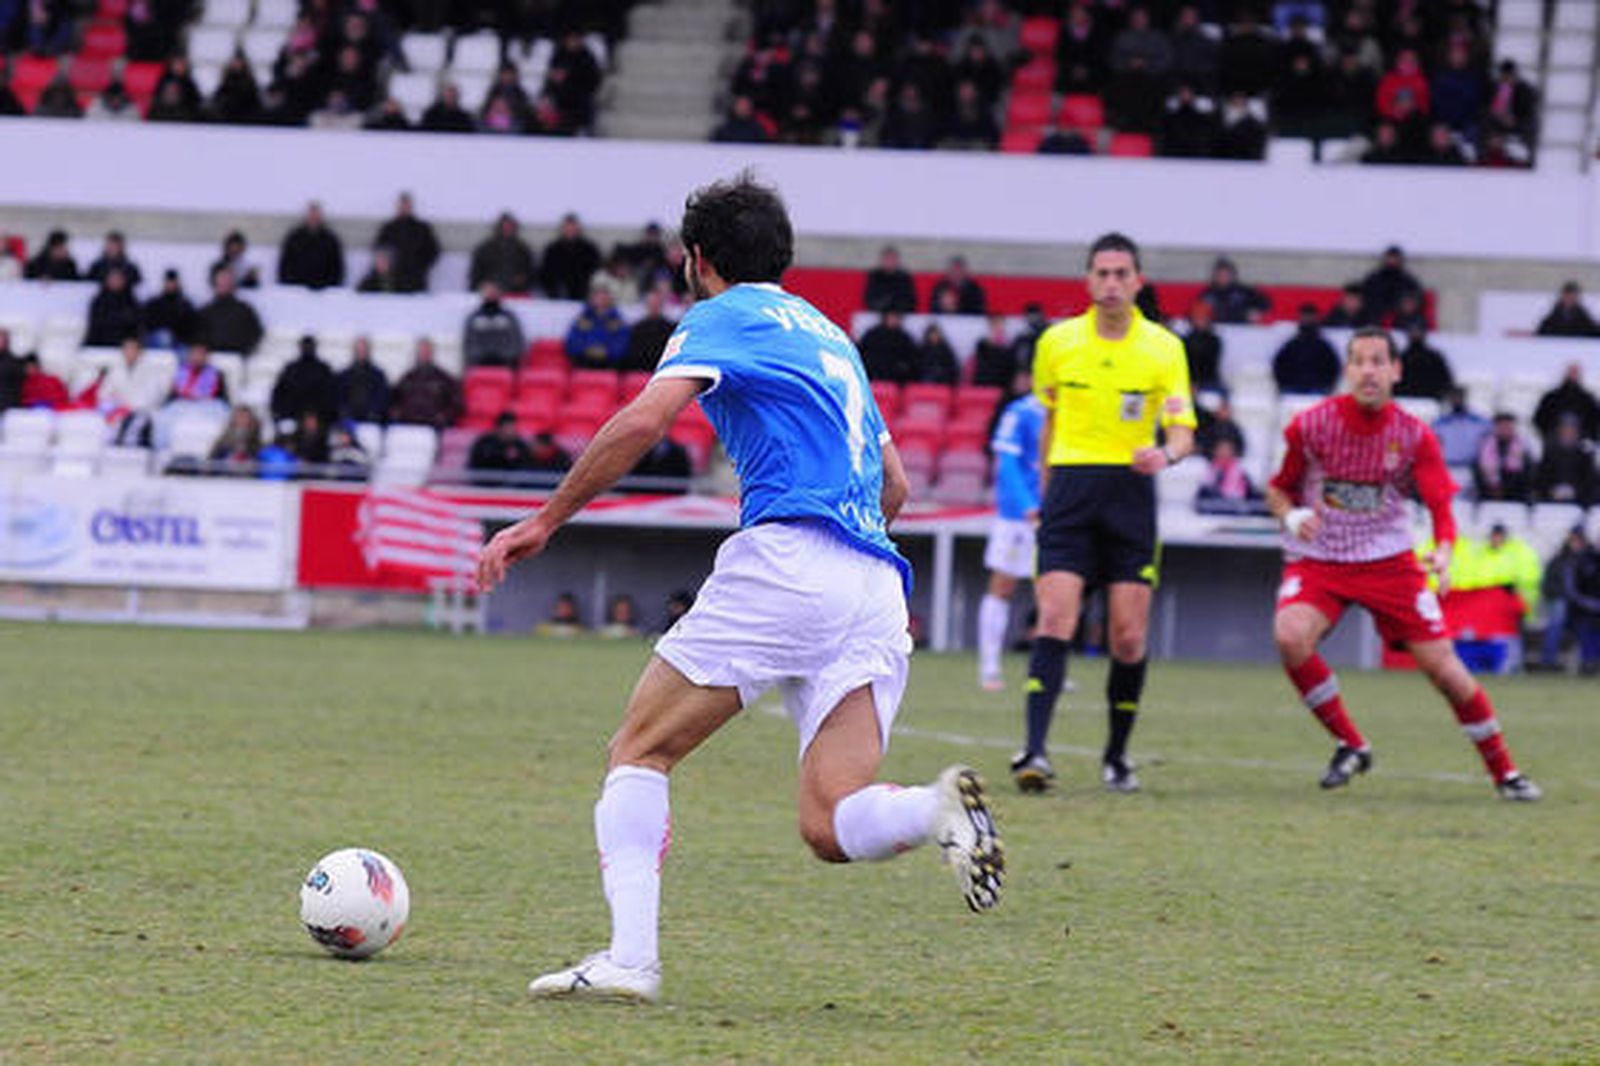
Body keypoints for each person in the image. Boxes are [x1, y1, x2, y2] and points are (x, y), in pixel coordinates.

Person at [477, 175, 1003, 1003]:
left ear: (698, 260)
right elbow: (893, 485)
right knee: (831, 821)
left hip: (791, 560)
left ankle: (630, 960)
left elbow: (645, 421)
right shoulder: (832, 337)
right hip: (872, 581)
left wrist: (545, 520)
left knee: (639, 751)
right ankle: (934, 810)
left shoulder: (722, 316)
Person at [1266, 328, 1541, 801]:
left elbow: (1439, 503)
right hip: (1322, 561)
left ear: (1396, 370)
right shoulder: (1308, 425)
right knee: (1290, 636)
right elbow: (1279, 487)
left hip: (1389, 564)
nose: (1368, 371)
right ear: (1347, 370)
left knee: (1445, 671)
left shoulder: (1414, 434)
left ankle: (1506, 773)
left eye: (1378, 361)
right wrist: (1291, 514)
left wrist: (1445, 549)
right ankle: (1351, 744)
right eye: (1359, 361)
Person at [1012, 232, 1195, 795]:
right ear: (1088, 280)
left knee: (1128, 637)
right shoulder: (1057, 343)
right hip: (1069, 490)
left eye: (1122, 274)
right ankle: (1035, 752)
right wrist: (1044, 492)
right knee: (1055, 620)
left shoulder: (1164, 348)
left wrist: (1163, 453)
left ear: (1138, 281)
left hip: (1130, 497)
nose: (1111, 283)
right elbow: (1047, 422)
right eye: (1102, 273)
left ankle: (1116, 757)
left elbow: (1184, 431)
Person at [978, 368, 1045, 692]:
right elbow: (1006, 462)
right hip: (1018, 516)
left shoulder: (1072, 412)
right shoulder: (1021, 412)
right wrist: (1026, 505)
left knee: (1055, 593)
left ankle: (1046, 670)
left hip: (1058, 514)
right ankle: (989, 667)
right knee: (1003, 585)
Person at [1537, 526, 1590, 670]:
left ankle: (1588, 661)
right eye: (1574, 540)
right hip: (1561, 601)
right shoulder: (1559, 560)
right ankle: (1548, 661)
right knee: (1557, 620)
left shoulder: (1587, 560)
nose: (1576, 544)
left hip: (1579, 604)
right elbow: (1548, 585)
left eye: (1579, 541)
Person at [389, 337, 463, 429]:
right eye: (421, 351)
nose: (424, 354)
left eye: (427, 350)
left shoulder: (444, 378)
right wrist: (397, 414)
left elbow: (457, 403)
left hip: (433, 427)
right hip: (408, 426)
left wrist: (444, 417)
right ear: (417, 353)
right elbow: (393, 400)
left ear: (432, 353)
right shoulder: (407, 378)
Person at [1272, 305, 1340, 395]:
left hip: (1318, 389)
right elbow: (1279, 365)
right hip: (1292, 388)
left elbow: (1333, 368)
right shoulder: (1291, 345)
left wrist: (1327, 386)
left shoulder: (1323, 346)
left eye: (1310, 317)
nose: (1307, 320)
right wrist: (1283, 384)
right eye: (1305, 317)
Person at [277, 202, 346, 290]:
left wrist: (329, 286)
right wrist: (292, 285)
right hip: (297, 290)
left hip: (324, 292)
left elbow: (337, 267)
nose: (313, 218)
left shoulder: (330, 240)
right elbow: (285, 265)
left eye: (316, 215)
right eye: (311, 215)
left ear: (320, 217)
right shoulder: (294, 238)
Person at [469, 212, 538, 295]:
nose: (507, 229)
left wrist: (522, 280)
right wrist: (486, 284)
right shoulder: (485, 249)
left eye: (510, 227)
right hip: (490, 293)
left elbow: (531, 273)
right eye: (504, 226)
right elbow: (475, 274)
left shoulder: (523, 250)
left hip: (516, 293)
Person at [463, 282, 527, 368]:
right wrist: (481, 357)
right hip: (480, 364)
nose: (491, 294)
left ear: (500, 293)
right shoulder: (474, 319)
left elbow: (517, 342)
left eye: (494, 291)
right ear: (482, 294)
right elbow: (469, 344)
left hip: (505, 363)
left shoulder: (509, 318)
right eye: (488, 291)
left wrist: (505, 357)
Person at [1474, 412, 1533, 503]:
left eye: (1508, 426)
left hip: (1515, 493)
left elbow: (1526, 472)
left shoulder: (1522, 446)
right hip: (1489, 492)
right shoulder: (1486, 446)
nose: (1505, 429)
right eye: (1501, 426)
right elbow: (1479, 471)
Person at [563, 285, 629, 368]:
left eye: (604, 298)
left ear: (610, 300)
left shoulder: (618, 322)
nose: (601, 300)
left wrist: (606, 352)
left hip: (609, 363)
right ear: (591, 299)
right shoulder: (581, 320)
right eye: (598, 297)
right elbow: (571, 343)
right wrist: (587, 350)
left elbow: (622, 345)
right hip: (584, 361)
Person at [468, 411, 534, 485]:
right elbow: (475, 464)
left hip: (512, 487)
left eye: (513, 427)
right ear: (498, 428)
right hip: (485, 485)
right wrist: (502, 455)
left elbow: (526, 466)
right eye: (507, 427)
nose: (511, 431)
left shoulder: (519, 445)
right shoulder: (485, 443)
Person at [1198, 256, 1269, 324]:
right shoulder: (1208, 295)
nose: (1223, 278)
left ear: (1232, 275)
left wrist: (1256, 312)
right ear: (1214, 276)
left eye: (1226, 275)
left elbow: (1265, 303)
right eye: (1219, 275)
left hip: (1241, 330)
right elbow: (1195, 313)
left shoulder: (1243, 291)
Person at [1430, 386, 1489, 468]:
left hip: (1471, 466)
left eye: (1459, 397)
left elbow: (1488, 444)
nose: (1456, 400)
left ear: (1464, 398)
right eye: (1453, 397)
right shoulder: (1439, 423)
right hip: (1448, 465)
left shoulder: (1479, 422)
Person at [863, 244, 917, 314]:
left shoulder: (904, 278)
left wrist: (897, 310)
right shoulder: (874, 277)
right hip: (878, 314)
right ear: (882, 260)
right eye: (887, 259)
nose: (889, 262)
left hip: (900, 315)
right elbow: (869, 299)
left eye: (892, 259)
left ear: (897, 260)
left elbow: (911, 301)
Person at [1536, 282, 1600, 338]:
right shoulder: (1554, 315)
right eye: (1568, 297)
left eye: (1573, 297)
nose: (1570, 300)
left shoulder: (1582, 315)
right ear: (1563, 296)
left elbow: (1593, 330)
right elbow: (1542, 331)